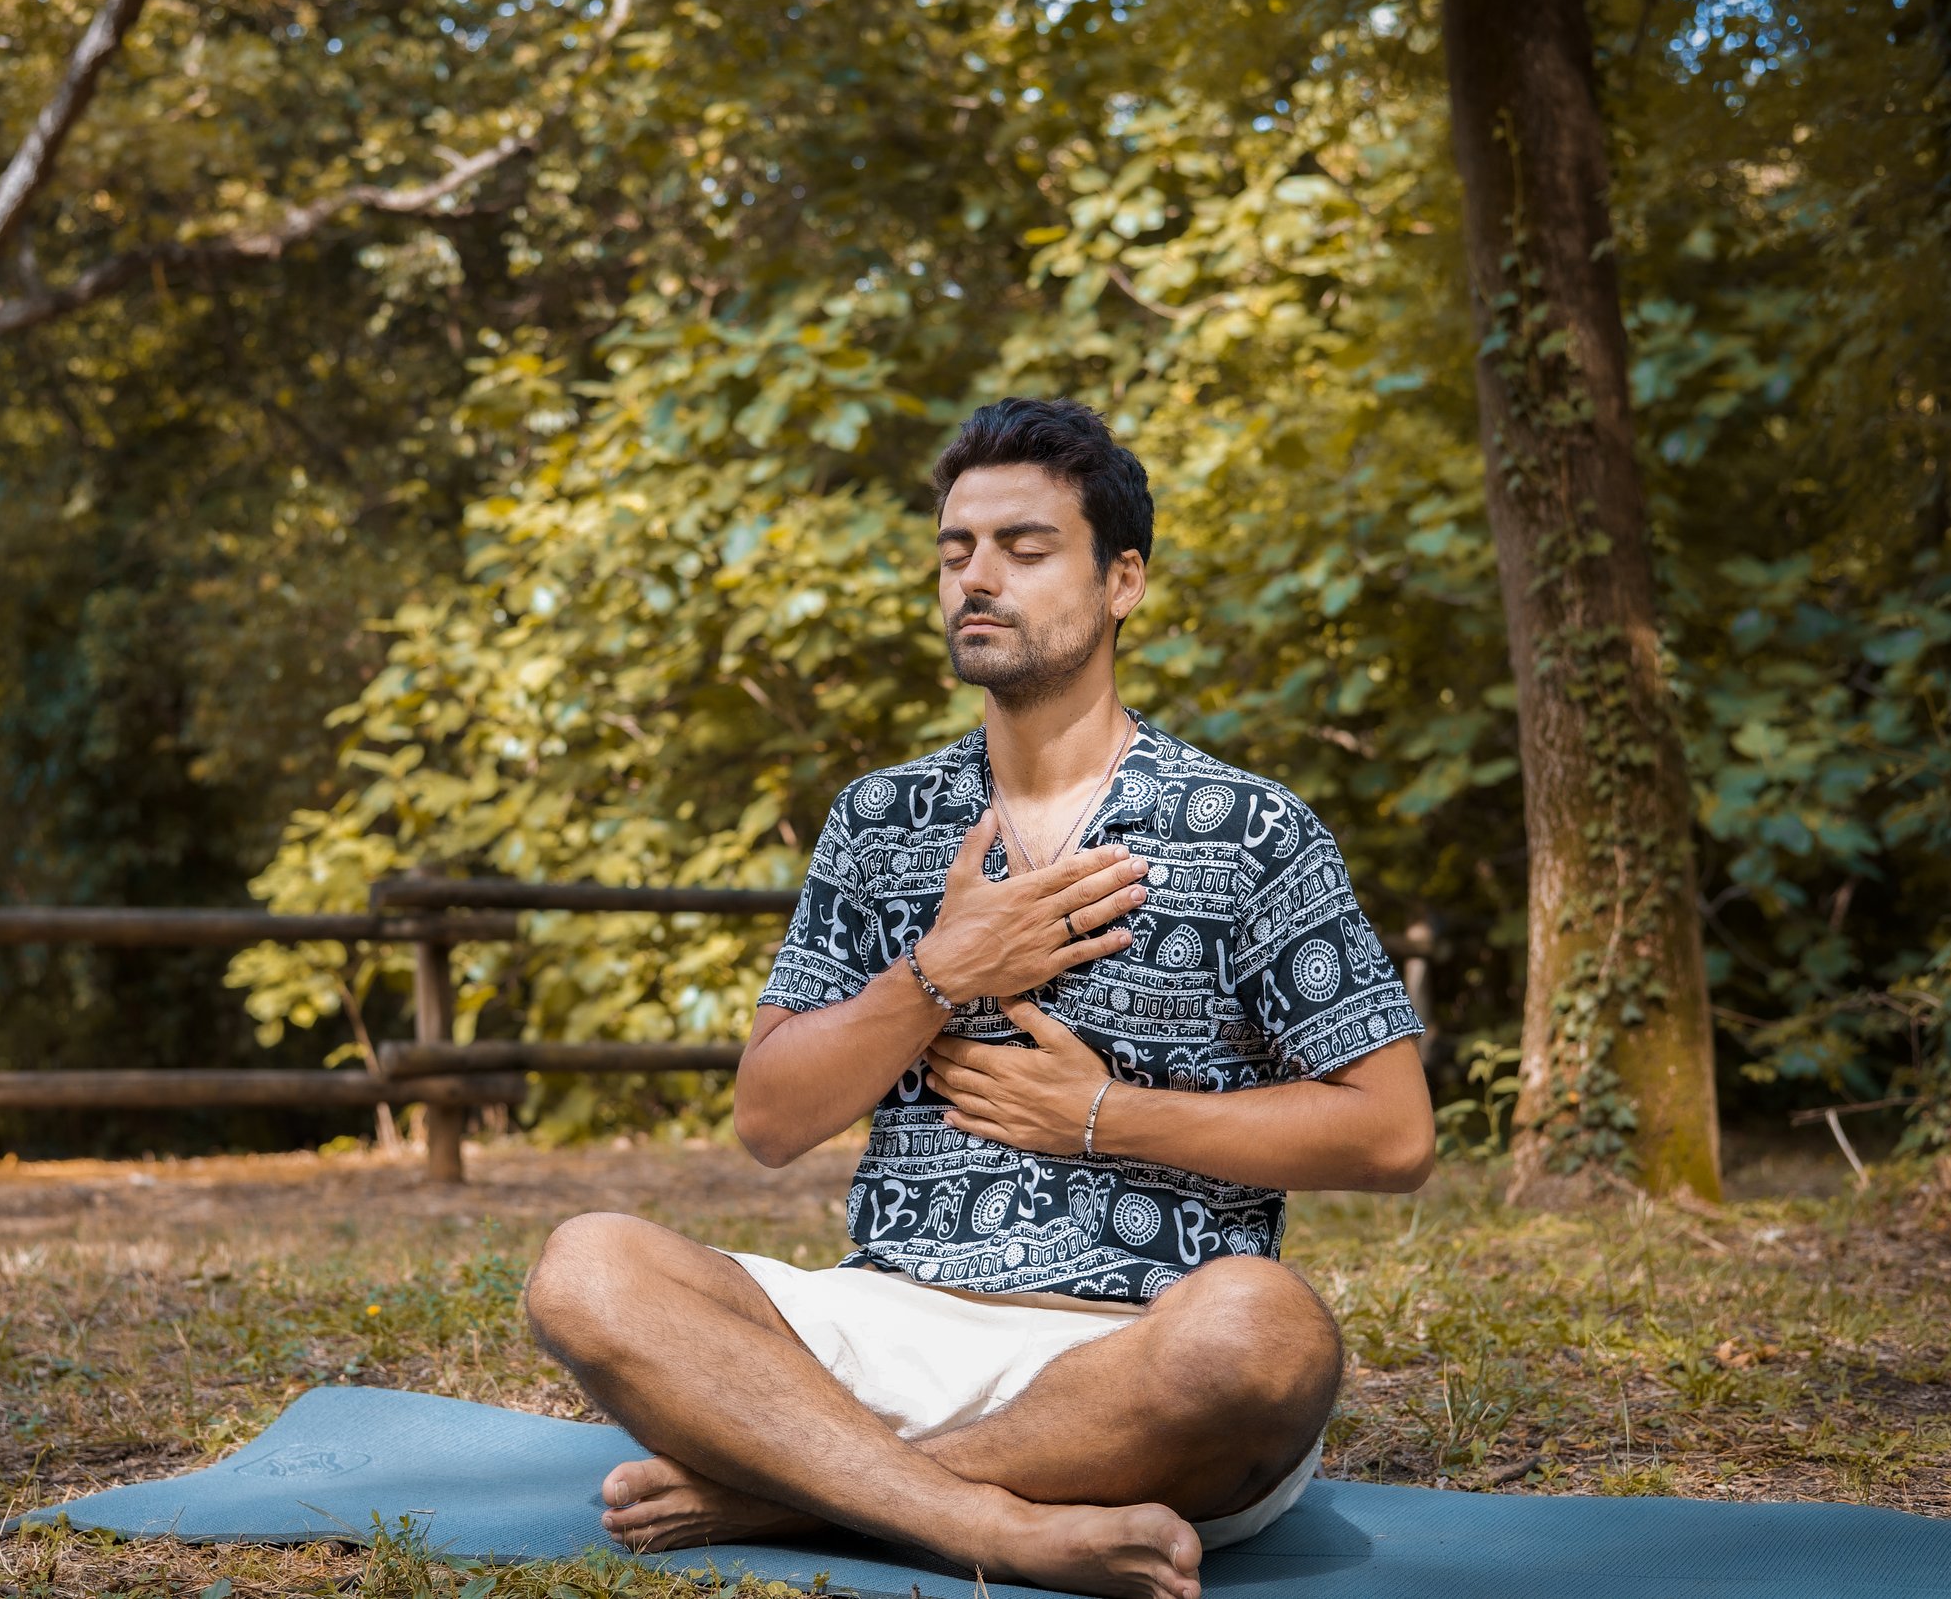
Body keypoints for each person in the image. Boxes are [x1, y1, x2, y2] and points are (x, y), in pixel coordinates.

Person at [523, 398, 1434, 1599]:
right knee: (585, 1266)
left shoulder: (1250, 827)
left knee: (1266, 1332)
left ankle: (795, 1491)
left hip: (1134, 1364)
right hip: (880, 1322)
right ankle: (987, 1525)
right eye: (956, 550)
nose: (977, 577)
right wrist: (943, 971)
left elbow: (1394, 1130)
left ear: (1124, 581)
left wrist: (1104, 1114)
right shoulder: (881, 818)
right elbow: (769, 1117)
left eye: (1024, 546)